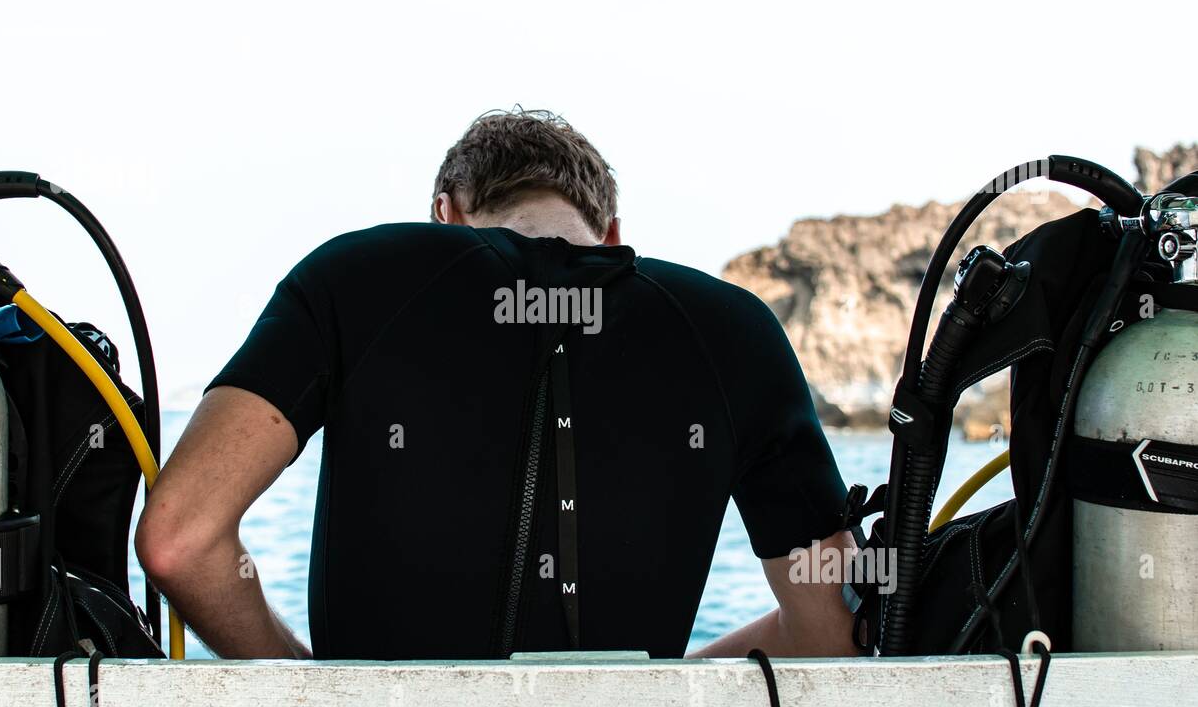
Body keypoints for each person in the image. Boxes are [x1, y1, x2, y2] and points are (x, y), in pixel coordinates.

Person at [136, 109, 858, 660]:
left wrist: (315, 692)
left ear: (445, 213)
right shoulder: (734, 327)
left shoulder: (356, 275)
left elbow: (181, 540)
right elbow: (833, 632)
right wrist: (652, 696)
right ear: (610, 232)